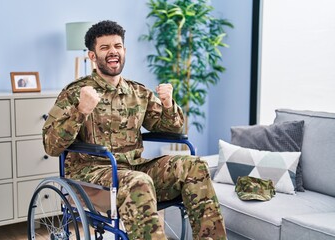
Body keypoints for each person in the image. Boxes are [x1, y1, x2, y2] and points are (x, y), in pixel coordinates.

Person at [43, 20, 226, 240]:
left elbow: (172, 130)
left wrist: (168, 105)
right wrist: (80, 111)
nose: (113, 52)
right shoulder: (75, 93)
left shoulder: (138, 92)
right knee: (138, 181)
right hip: (91, 175)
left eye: (117, 46)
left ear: (124, 50)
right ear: (92, 56)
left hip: (134, 168)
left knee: (194, 165)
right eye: (105, 48)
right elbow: (51, 146)